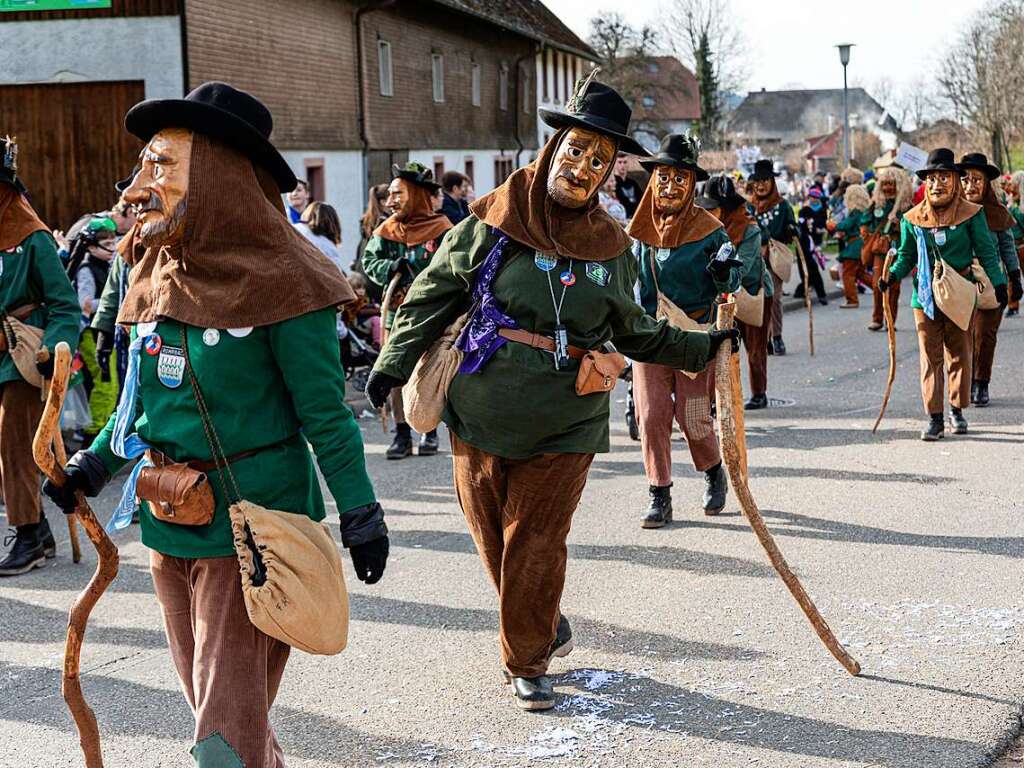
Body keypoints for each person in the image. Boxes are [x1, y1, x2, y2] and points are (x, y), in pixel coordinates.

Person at [42, 82, 388, 766]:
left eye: (161, 166)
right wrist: (94, 466)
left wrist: (360, 511)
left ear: (221, 176)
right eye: (144, 164)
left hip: (252, 529)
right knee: (223, 710)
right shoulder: (156, 271)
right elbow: (142, 407)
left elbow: (326, 416)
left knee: (222, 736)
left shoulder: (290, 279)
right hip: (169, 523)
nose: (140, 186)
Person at [364, 79, 738, 711]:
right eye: (577, 150)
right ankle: (540, 619)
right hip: (480, 411)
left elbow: (635, 329)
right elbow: (430, 296)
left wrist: (704, 346)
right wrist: (392, 363)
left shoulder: (612, 245)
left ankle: (527, 657)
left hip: (569, 416)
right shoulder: (490, 219)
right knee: (493, 538)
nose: (584, 167)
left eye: (600, 159)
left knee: (536, 538)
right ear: (554, 146)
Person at [628, 135, 741, 527]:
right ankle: (659, 493)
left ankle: (713, 471)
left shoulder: (710, 230)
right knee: (652, 415)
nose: (670, 185)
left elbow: (734, 276)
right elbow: (628, 283)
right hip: (649, 335)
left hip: (694, 333)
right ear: (653, 179)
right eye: (663, 176)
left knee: (692, 415)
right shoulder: (639, 229)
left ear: (692, 184)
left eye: (680, 177)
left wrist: (726, 271)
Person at [877, 148, 1007, 440]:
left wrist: (999, 283)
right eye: (932, 178)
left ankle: (956, 410)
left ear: (956, 180)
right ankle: (935, 418)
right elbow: (907, 256)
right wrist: (891, 277)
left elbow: (987, 251)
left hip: (959, 294)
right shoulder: (913, 218)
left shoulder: (972, 214)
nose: (938, 184)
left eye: (944, 177)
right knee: (930, 356)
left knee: (960, 352)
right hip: (924, 297)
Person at [0, 136, 81, 576]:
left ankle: (28, 536)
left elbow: (65, 305)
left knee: (13, 441)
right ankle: (38, 530)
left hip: (23, 354)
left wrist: (56, 346)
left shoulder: (32, 239)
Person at [361, 162, 452, 459]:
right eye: (389, 195)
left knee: (425, 371)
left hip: (431, 317)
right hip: (395, 315)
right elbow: (369, 263)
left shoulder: (443, 231)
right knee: (394, 372)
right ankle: (401, 434)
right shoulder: (386, 231)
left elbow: (452, 270)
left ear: (415, 194)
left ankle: (428, 431)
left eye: (398, 194)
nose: (390, 202)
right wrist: (390, 268)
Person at [698, 174, 772, 410]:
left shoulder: (749, 230)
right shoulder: (707, 229)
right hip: (723, 293)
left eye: (714, 208)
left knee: (754, 347)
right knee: (719, 349)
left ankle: (759, 393)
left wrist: (722, 276)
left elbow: (745, 266)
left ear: (727, 208)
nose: (708, 213)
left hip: (752, 292)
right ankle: (716, 399)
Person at [957, 153, 1023, 407]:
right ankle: (963, 382)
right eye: (965, 179)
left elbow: (1007, 247)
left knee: (984, 335)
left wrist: (1015, 278)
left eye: (977, 180)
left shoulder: (997, 212)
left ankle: (981, 382)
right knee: (964, 336)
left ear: (986, 183)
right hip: (959, 283)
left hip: (992, 282)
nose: (970, 185)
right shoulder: (952, 210)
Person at [749, 159, 796, 355]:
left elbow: (792, 225)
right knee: (759, 300)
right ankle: (764, 338)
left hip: (775, 259)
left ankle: (777, 337)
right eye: (757, 181)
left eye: (765, 180)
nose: (760, 185)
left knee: (774, 298)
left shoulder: (783, 206)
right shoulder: (748, 206)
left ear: (772, 182)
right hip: (753, 260)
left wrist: (792, 230)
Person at [861, 166, 913, 331]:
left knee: (894, 287)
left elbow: (913, 229)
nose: (888, 187)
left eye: (892, 184)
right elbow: (865, 221)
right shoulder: (876, 204)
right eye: (885, 184)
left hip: (898, 250)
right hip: (880, 249)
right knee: (878, 284)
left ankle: (890, 320)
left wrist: (900, 223)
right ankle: (876, 319)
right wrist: (865, 231)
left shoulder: (906, 207)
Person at [830, 183, 871, 308]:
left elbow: (847, 224)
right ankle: (881, 288)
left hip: (855, 246)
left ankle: (852, 300)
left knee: (848, 274)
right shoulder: (864, 211)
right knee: (860, 273)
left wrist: (833, 226)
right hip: (859, 244)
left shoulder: (856, 212)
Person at [794, 188, 828, 305]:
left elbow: (824, 225)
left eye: (816, 197)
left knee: (813, 269)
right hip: (804, 243)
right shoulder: (804, 210)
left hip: (815, 244)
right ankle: (805, 295)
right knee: (804, 271)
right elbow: (802, 227)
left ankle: (821, 294)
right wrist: (814, 230)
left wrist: (821, 230)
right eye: (811, 197)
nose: (813, 199)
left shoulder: (822, 210)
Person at [613, 152, 643, 217]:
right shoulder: (612, 182)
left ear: (628, 164)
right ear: (615, 164)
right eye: (620, 162)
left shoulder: (633, 182)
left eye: (625, 162)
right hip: (622, 215)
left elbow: (642, 200)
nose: (622, 165)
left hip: (637, 215)